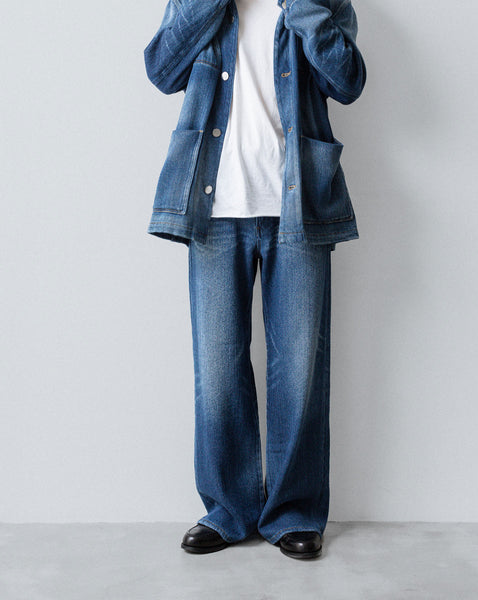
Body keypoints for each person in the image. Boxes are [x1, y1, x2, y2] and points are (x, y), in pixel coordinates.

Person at [143, 0, 366, 559]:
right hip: (214, 209)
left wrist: (304, 7)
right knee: (217, 370)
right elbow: (161, 69)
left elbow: (348, 82)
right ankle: (227, 510)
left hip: (300, 205)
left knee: (300, 371)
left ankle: (294, 513)